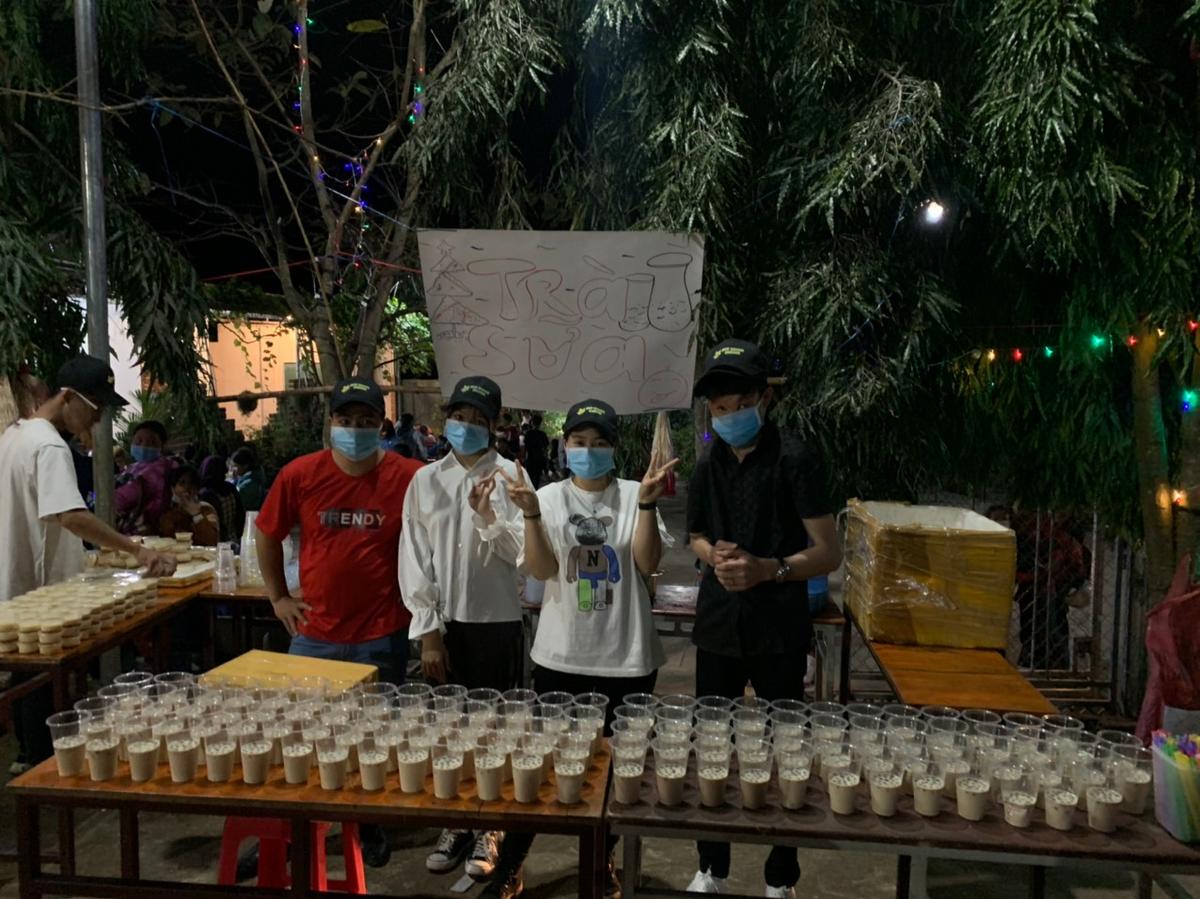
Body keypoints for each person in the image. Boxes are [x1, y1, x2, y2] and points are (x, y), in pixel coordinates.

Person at [483, 399, 678, 899]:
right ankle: (511, 863)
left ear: (613, 448)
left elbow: (648, 564)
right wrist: (528, 512)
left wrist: (650, 506)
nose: (588, 451)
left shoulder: (637, 493)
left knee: (614, 775)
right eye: (579, 442)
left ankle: (600, 863)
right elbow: (543, 571)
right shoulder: (546, 497)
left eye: (599, 443)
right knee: (543, 765)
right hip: (560, 656)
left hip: (627, 657)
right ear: (565, 445)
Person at [685, 339, 841, 898]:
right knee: (712, 744)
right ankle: (712, 867)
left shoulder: (796, 458)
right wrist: (715, 558)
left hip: (778, 623)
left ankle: (781, 878)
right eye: (718, 407)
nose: (728, 415)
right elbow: (696, 534)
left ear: (762, 399)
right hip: (719, 624)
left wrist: (770, 570)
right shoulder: (708, 463)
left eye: (737, 402)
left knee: (785, 748)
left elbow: (828, 551)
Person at [254, 377, 422, 867]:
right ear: (331, 425)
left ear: (381, 425)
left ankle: (367, 827)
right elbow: (268, 534)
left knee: (371, 741)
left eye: (365, 422)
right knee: (302, 740)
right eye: (345, 421)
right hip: (314, 635)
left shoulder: (409, 476)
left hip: (381, 634)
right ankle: (291, 834)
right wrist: (279, 599)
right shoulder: (300, 474)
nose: (355, 429)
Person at [0, 355, 176, 769]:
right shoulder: (48, 446)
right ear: (67, 398)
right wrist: (137, 550)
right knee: (45, 691)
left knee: (30, 682)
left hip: (16, 590)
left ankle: (28, 758)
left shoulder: (13, 437)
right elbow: (71, 515)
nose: (98, 419)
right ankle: (43, 773)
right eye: (94, 407)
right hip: (42, 599)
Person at [398, 376, 524, 882]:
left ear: (493, 427)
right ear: (447, 417)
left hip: (497, 622)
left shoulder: (514, 476)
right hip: (445, 628)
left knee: (495, 728)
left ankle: (491, 825)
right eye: (460, 416)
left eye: (478, 420)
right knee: (450, 730)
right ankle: (455, 823)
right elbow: (414, 556)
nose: (466, 426)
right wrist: (427, 629)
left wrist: (489, 515)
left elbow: (523, 555)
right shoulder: (425, 481)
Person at [115, 419, 176, 535]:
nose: (144, 446)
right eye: (138, 441)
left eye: (151, 443)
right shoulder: (133, 467)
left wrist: (100, 500)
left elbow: (123, 497)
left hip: (147, 533)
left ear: (162, 446)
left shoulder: (161, 468)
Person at [158, 465, 221, 545]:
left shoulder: (206, 509)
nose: (187, 488)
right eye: (182, 483)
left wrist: (196, 514)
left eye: (192, 483)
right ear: (173, 488)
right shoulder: (168, 512)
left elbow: (212, 542)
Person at [199, 455, 244, 542]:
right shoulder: (230, 488)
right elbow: (240, 515)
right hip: (234, 539)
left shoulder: (206, 495)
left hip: (217, 543)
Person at [230, 446, 267, 512]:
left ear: (245, 466)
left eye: (235, 466)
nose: (233, 469)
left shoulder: (249, 484)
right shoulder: (247, 477)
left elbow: (234, 502)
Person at [522, 415, 550, 488]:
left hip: (530, 459)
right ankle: (535, 492)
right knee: (537, 479)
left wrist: (524, 459)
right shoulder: (542, 434)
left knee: (530, 479)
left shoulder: (528, 434)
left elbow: (525, 449)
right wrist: (546, 461)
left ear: (532, 423)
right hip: (539, 459)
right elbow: (545, 450)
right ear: (540, 423)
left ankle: (531, 493)